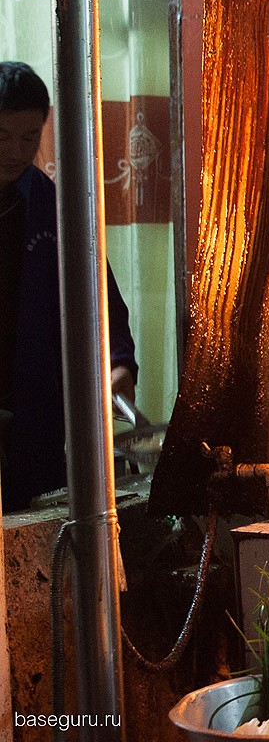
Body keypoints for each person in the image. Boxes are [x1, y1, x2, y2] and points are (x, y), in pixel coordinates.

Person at [0, 61, 137, 512]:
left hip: (38, 420)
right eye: (2, 136)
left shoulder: (57, 208)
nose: (15, 151)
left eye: (28, 137)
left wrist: (119, 366)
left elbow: (104, 301)